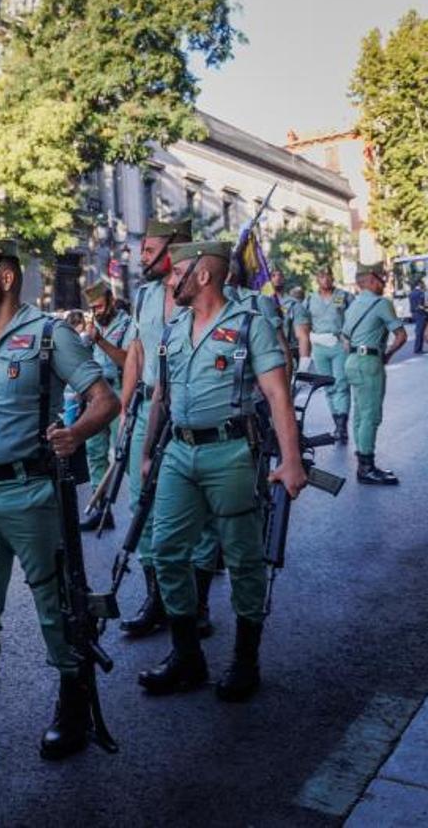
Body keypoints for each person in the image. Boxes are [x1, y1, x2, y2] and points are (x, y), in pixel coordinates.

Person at [0, 237, 117, 775]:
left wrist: (75, 433)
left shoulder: (48, 335)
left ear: (5, 279)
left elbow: (107, 399)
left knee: (56, 608)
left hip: (32, 494)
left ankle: (73, 705)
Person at [138, 241, 307, 702]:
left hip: (230, 452)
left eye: (178, 274)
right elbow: (160, 398)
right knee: (167, 550)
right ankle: (187, 655)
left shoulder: (250, 324)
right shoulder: (174, 330)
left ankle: (245, 660)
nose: (171, 281)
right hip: (179, 451)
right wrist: (148, 451)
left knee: (242, 559)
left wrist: (290, 460)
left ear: (204, 276)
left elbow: (276, 395)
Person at [119, 219, 219, 640]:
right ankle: (154, 599)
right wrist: (125, 409)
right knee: (141, 504)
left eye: (150, 249)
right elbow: (136, 354)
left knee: (197, 513)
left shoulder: (197, 293)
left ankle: (196, 605)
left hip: (190, 410)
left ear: (176, 249)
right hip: (147, 408)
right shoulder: (142, 296)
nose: (142, 258)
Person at [342, 264, 407, 485]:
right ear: (370, 279)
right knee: (371, 415)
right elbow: (401, 336)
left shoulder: (352, 305)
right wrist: (387, 354)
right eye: (381, 279)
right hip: (369, 361)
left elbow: (344, 339)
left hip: (351, 361)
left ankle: (363, 461)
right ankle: (367, 469)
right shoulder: (382, 304)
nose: (384, 283)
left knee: (360, 413)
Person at [79, 279, 134, 530]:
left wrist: (100, 341)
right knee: (94, 452)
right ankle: (101, 509)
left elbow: (128, 362)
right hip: (97, 394)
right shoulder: (93, 328)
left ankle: (140, 510)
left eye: (100, 307)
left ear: (111, 301)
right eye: (93, 309)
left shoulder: (128, 326)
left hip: (121, 391)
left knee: (125, 455)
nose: (96, 313)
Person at [305, 267, 354, 443]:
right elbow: (303, 322)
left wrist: (349, 338)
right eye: (321, 276)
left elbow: (354, 317)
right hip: (319, 346)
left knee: (341, 384)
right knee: (328, 386)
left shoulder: (344, 296)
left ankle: (342, 427)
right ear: (317, 280)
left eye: (328, 276)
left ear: (333, 278)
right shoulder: (310, 299)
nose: (325, 279)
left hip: (338, 344)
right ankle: (336, 422)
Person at [409, 278, 426, 354]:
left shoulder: (411, 293)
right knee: (420, 332)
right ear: (419, 284)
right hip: (421, 314)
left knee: (418, 331)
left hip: (414, 314)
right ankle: (418, 349)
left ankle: (418, 349)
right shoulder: (420, 293)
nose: (423, 285)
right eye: (422, 283)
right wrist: (426, 309)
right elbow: (420, 305)